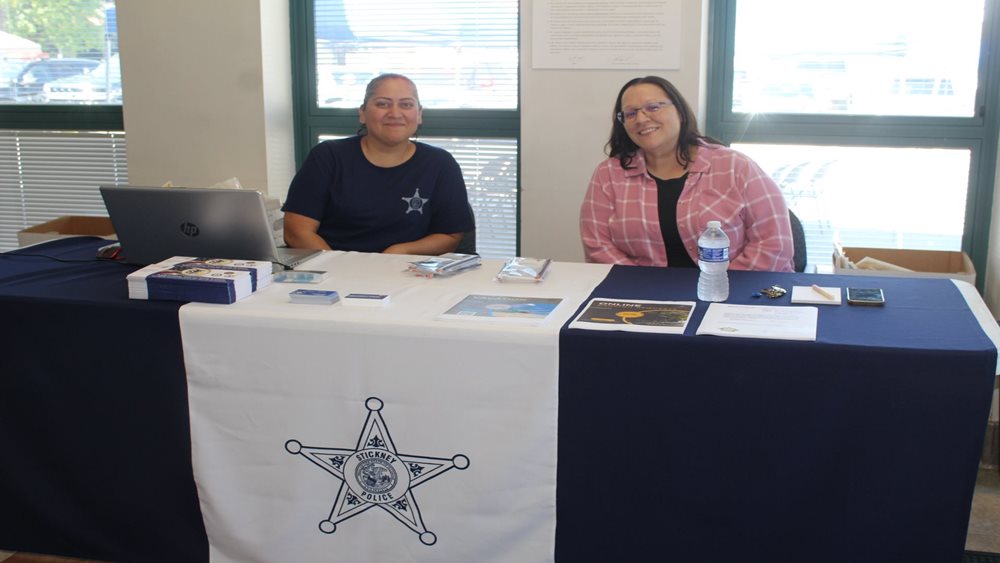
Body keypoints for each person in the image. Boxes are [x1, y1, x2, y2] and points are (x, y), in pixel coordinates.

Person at [580, 76, 794, 271]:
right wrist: (641, 285)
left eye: (653, 107)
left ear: (680, 113)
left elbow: (773, 244)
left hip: (733, 288)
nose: (641, 119)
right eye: (631, 113)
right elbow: (597, 245)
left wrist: (717, 283)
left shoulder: (736, 167)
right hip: (641, 291)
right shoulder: (608, 174)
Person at [283, 73, 474, 255]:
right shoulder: (328, 156)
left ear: (419, 114)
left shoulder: (440, 163)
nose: (395, 113)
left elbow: (450, 236)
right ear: (363, 113)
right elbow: (297, 232)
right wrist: (337, 267)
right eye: (383, 104)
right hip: (332, 268)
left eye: (406, 104)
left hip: (407, 269)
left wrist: (400, 251)